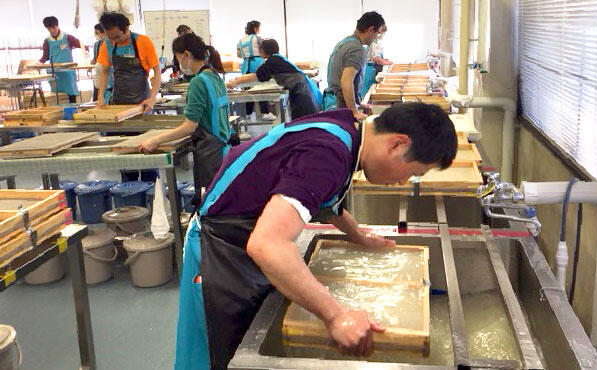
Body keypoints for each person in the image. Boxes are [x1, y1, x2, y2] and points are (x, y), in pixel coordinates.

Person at [174, 102, 458, 369]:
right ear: (398, 143)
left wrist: (360, 236)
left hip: (240, 237)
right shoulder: (328, 152)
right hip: (219, 250)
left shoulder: (350, 128)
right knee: (221, 355)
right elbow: (267, 244)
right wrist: (336, 316)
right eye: (412, 173)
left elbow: (323, 199)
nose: (401, 182)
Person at [139, 33, 230, 199]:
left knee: (209, 201)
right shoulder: (215, 77)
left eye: (178, 59)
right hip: (223, 147)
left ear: (186, 55)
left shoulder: (198, 82)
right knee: (220, 197)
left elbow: (190, 126)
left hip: (210, 153)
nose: (179, 64)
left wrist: (155, 140)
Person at [227, 39, 321, 119]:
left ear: (264, 50)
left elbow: (256, 77)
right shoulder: (277, 58)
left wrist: (234, 83)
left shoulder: (272, 62)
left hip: (302, 93)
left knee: (302, 124)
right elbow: (257, 75)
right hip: (304, 91)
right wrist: (238, 79)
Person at [323, 12, 386, 120]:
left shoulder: (345, 42)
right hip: (340, 105)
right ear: (370, 30)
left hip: (332, 101)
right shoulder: (356, 48)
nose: (377, 37)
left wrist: (358, 104)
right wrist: (354, 112)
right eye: (378, 33)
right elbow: (346, 81)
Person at [96, 12, 161, 112]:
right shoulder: (108, 44)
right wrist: (101, 97)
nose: (114, 40)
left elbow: (157, 71)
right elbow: (105, 72)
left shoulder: (143, 41)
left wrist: (152, 98)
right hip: (118, 101)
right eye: (110, 37)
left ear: (126, 29)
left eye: (117, 37)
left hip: (142, 102)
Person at [236, 20, 274, 121]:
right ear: (256, 28)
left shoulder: (241, 40)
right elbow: (265, 50)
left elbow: (239, 55)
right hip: (257, 64)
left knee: (248, 91)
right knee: (261, 89)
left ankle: (247, 113)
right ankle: (265, 112)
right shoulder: (258, 38)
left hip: (245, 66)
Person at [40, 16, 82, 104]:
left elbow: (81, 45)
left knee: (71, 92)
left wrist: (86, 50)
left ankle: (72, 109)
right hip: (55, 71)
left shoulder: (68, 38)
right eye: (49, 29)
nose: (52, 30)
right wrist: (38, 63)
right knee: (58, 94)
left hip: (68, 71)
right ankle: (60, 111)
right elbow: (45, 56)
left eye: (53, 28)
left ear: (57, 25)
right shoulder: (47, 41)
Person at [359, 24, 393, 100]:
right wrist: (388, 63)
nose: (382, 35)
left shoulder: (375, 42)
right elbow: (376, 58)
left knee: (367, 90)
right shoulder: (374, 43)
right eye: (381, 32)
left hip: (370, 68)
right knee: (368, 91)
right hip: (370, 69)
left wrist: (384, 60)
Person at [92, 23, 113, 103]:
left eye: (97, 33)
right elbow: (95, 58)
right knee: (98, 96)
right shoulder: (96, 45)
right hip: (98, 72)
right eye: (95, 33)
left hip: (108, 73)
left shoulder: (109, 44)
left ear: (104, 33)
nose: (96, 35)